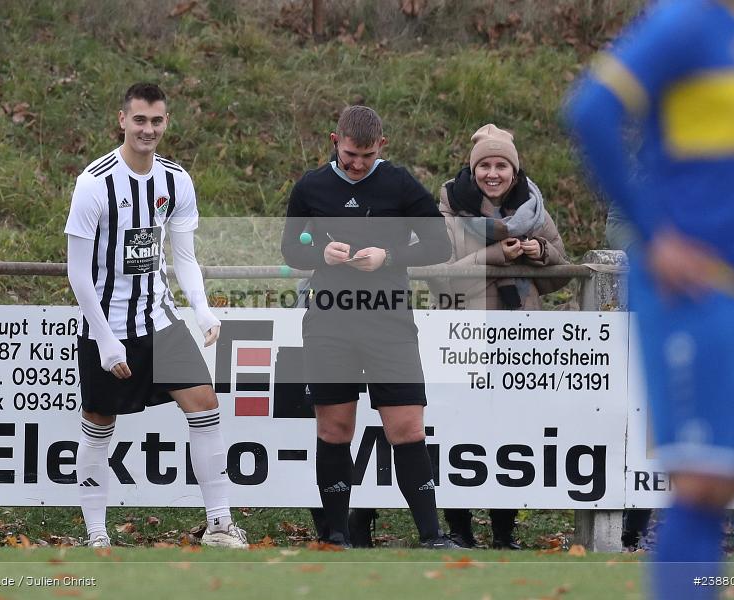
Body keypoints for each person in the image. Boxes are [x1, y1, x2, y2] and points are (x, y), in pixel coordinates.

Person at [566, 1, 734, 597]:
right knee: (702, 479)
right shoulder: (689, 21)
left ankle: (700, 586)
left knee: (726, 482)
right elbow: (591, 111)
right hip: (699, 285)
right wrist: (654, 233)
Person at [65, 82, 247, 548]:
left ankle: (220, 525)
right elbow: (78, 274)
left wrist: (202, 311)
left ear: (167, 122)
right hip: (108, 328)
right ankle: (97, 535)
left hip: (160, 322)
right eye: (140, 120)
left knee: (205, 405)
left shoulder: (175, 180)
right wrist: (105, 340)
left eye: (157, 121)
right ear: (122, 119)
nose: (149, 129)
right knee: (99, 424)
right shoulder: (94, 183)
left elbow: (184, 257)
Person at [281, 105, 456, 548]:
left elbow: (440, 244)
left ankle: (432, 536)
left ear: (383, 145)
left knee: (407, 428)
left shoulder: (398, 183)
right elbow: (290, 249)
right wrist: (321, 256)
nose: (357, 164)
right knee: (335, 429)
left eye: (366, 155)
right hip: (329, 323)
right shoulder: (311, 186)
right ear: (334, 139)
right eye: (350, 154)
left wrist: (389, 257)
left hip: (389, 320)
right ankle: (336, 536)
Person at [429, 124, 570, 549]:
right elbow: (440, 280)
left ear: (515, 169)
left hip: (518, 343)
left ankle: (505, 533)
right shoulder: (447, 212)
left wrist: (539, 255)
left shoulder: (533, 211)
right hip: (461, 339)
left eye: (502, 165)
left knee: (511, 435)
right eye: (485, 165)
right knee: (458, 434)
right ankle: (460, 530)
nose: (493, 173)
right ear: (473, 171)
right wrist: (496, 257)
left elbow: (561, 271)